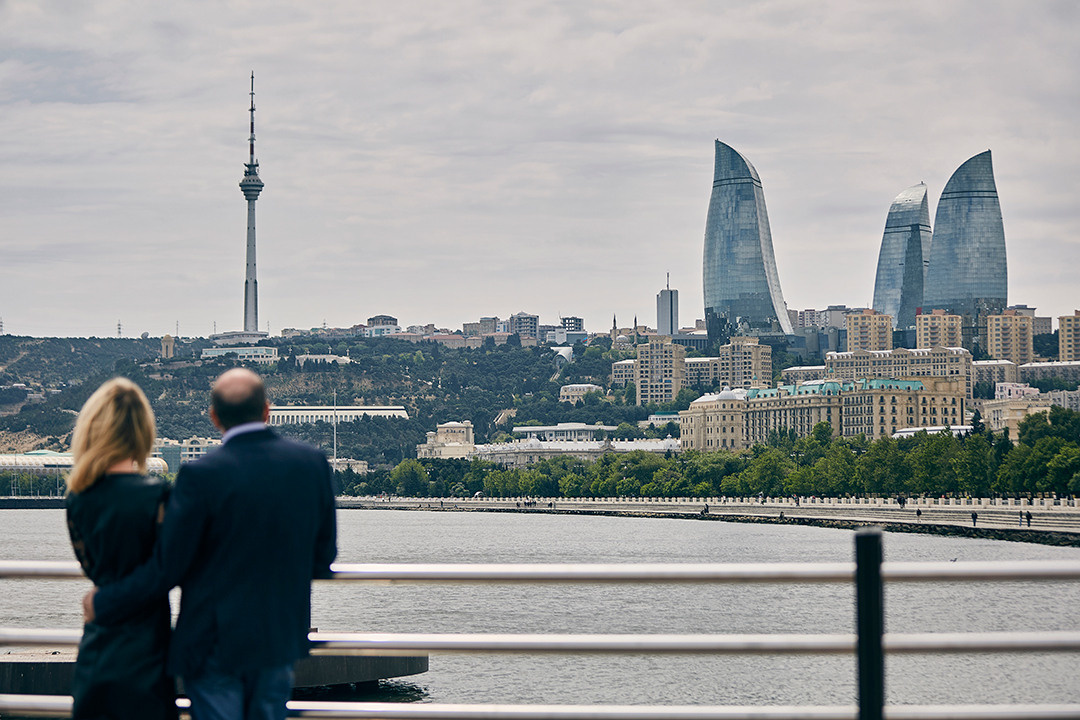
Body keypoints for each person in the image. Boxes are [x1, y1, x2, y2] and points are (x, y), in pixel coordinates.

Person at [84, 368, 337, 720]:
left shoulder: (199, 475)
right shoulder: (312, 465)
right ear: (267, 410)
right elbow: (324, 557)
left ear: (214, 416)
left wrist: (106, 601)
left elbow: (168, 566)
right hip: (276, 639)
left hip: (211, 643)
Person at [65, 378, 178, 720]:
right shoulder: (159, 495)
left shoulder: (78, 497)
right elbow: (167, 569)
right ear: (143, 430)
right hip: (147, 653)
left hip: (96, 650)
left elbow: (92, 567)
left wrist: (103, 599)